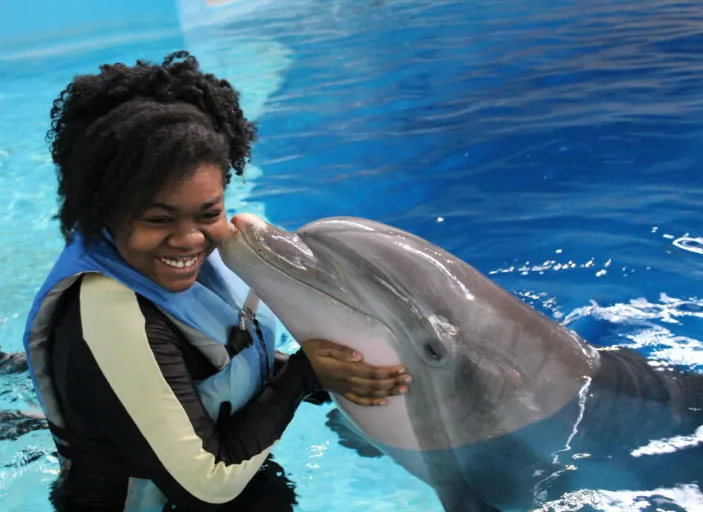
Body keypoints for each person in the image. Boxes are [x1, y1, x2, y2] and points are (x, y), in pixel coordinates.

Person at [22, 50, 412, 512]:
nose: (189, 239)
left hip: (246, 468)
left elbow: (212, 364)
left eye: (209, 212)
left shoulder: (215, 252)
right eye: (158, 219)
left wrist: (336, 370)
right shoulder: (109, 313)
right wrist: (304, 376)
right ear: (105, 210)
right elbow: (206, 483)